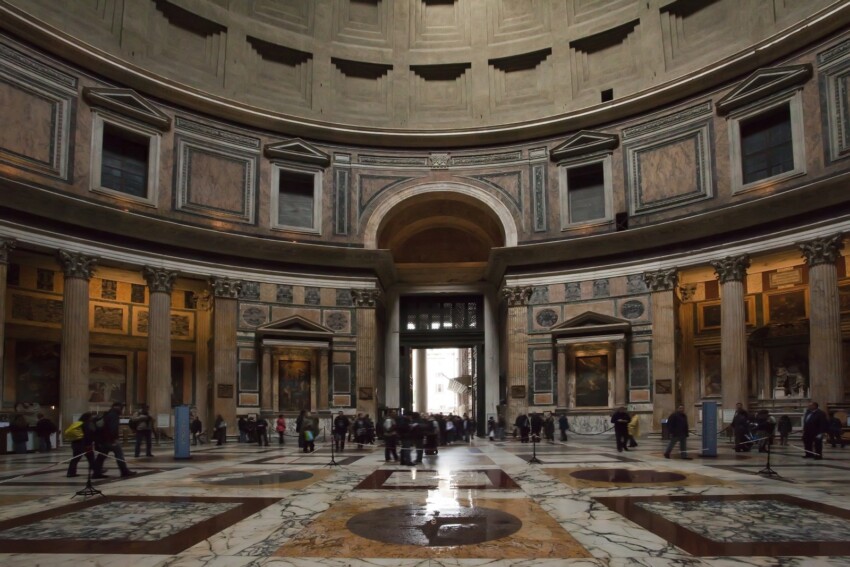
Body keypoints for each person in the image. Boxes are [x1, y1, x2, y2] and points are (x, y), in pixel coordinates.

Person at [93, 402, 136, 478]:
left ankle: (96, 473)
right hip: (111, 440)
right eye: (121, 407)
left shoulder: (107, 414)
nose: (122, 409)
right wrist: (113, 439)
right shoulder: (114, 415)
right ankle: (124, 471)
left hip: (104, 439)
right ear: (117, 407)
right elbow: (113, 428)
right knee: (119, 455)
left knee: (101, 457)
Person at [65, 412, 94, 477]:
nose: (92, 418)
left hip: (75, 443)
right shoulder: (86, 424)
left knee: (75, 458)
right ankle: (96, 471)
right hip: (83, 443)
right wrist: (89, 444)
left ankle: (71, 473)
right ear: (88, 417)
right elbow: (87, 435)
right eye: (91, 417)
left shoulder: (77, 423)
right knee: (91, 457)